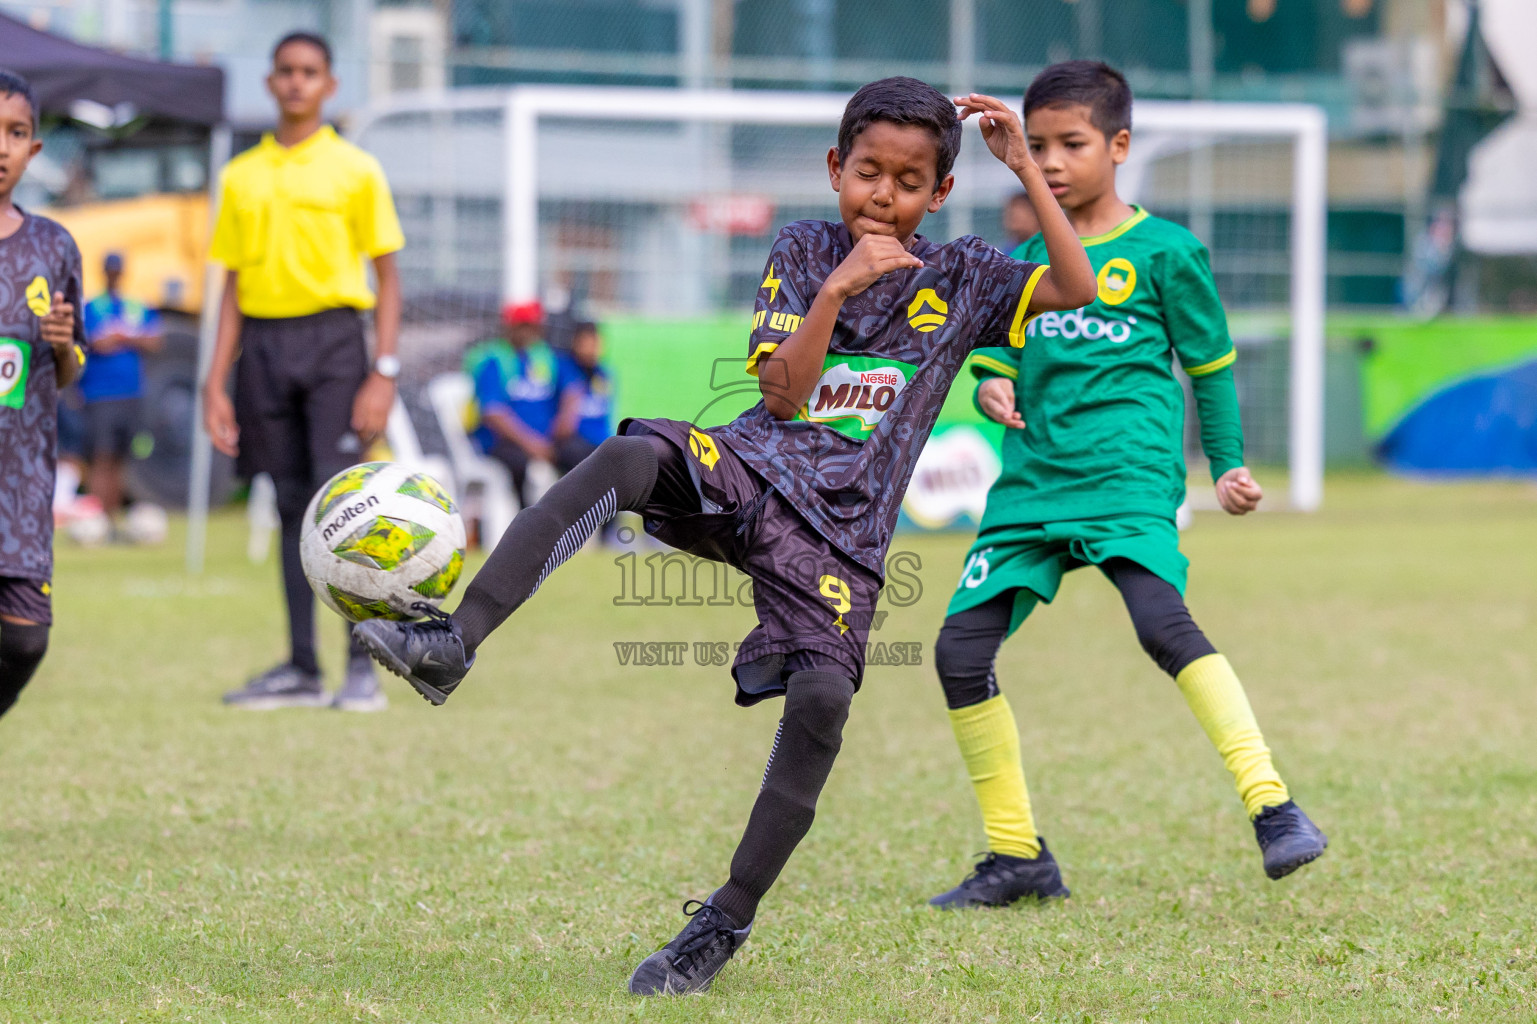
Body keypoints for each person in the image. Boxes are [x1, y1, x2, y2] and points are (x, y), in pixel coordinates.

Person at [354, 77, 1095, 995]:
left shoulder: (968, 274)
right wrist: (837, 289)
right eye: (867, 172)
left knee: (822, 703)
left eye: (908, 182)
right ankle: (451, 641)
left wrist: (1023, 162)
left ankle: (722, 923)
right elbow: (780, 394)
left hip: (843, 540)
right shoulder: (803, 248)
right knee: (627, 459)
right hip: (748, 469)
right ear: (836, 168)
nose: (883, 195)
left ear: (939, 194)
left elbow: (1077, 283)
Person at [927, 61, 1327, 911]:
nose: (1053, 160)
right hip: (1032, 488)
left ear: (1118, 146)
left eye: (1070, 144)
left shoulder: (1166, 252)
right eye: (1035, 147)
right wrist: (989, 385)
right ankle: (1016, 856)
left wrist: (1226, 467)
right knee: (958, 653)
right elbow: (996, 356)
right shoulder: (1025, 259)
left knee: (1161, 626)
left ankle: (1273, 807)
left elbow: (1210, 369)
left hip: (1126, 480)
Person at [201, 31, 404, 712]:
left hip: (335, 346)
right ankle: (300, 667)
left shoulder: (356, 169)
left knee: (342, 509)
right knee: (289, 505)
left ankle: (360, 667)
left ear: (328, 85)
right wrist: (213, 379)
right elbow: (228, 286)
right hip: (262, 346)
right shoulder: (239, 176)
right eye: (285, 71)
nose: (295, 82)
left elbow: (388, 275)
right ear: (269, 82)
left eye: (309, 72)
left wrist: (383, 371)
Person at [0, 70, 86, 720]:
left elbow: (74, 367)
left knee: (25, 639)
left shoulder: (53, 246)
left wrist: (59, 345)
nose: (1, 145)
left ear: (34, 150)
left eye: (16, 132)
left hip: (21, 484)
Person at [79, 251, 163, 532]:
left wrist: (124, 337)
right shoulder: (92, 306)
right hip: (99, 394)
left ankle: (115, 516)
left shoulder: (135, 305)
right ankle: (100, 519)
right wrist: (116, 338)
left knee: (124, 458)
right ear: (104, 272)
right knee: (101, 456)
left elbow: (154, 340)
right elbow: (92, 342)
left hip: (131, 392)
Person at [467, 299, 560, 508]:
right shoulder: (494, 360)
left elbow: (558, 401)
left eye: (532, 325)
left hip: (541, 441)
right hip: (499, 443)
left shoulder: (542, 357)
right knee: (519, 464)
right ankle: (525, 518)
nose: (528, 331)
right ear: (509, 326)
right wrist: (532, 444)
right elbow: (493, 413)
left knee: (578, 454)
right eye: (522, 325)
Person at [550, 319, 613, 471]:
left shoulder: (604, 373)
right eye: (586, 343)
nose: (591, 349)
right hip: (574, 443)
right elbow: (565, 426)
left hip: (599, 442)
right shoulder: (565, 369)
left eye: (595, 343)